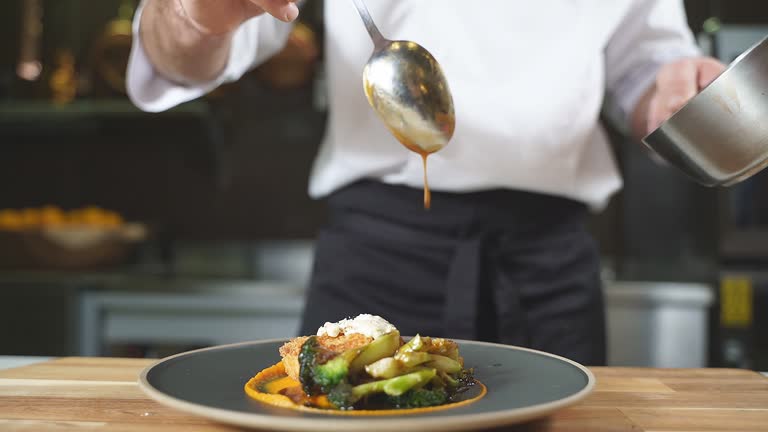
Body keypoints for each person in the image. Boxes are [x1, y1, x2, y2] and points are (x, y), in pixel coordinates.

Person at [127, 0, 725, 365]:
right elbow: (190, 50)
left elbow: (642, 65)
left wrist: (673, 93)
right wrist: (189, 15)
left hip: (547, 271)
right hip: (378, 261)